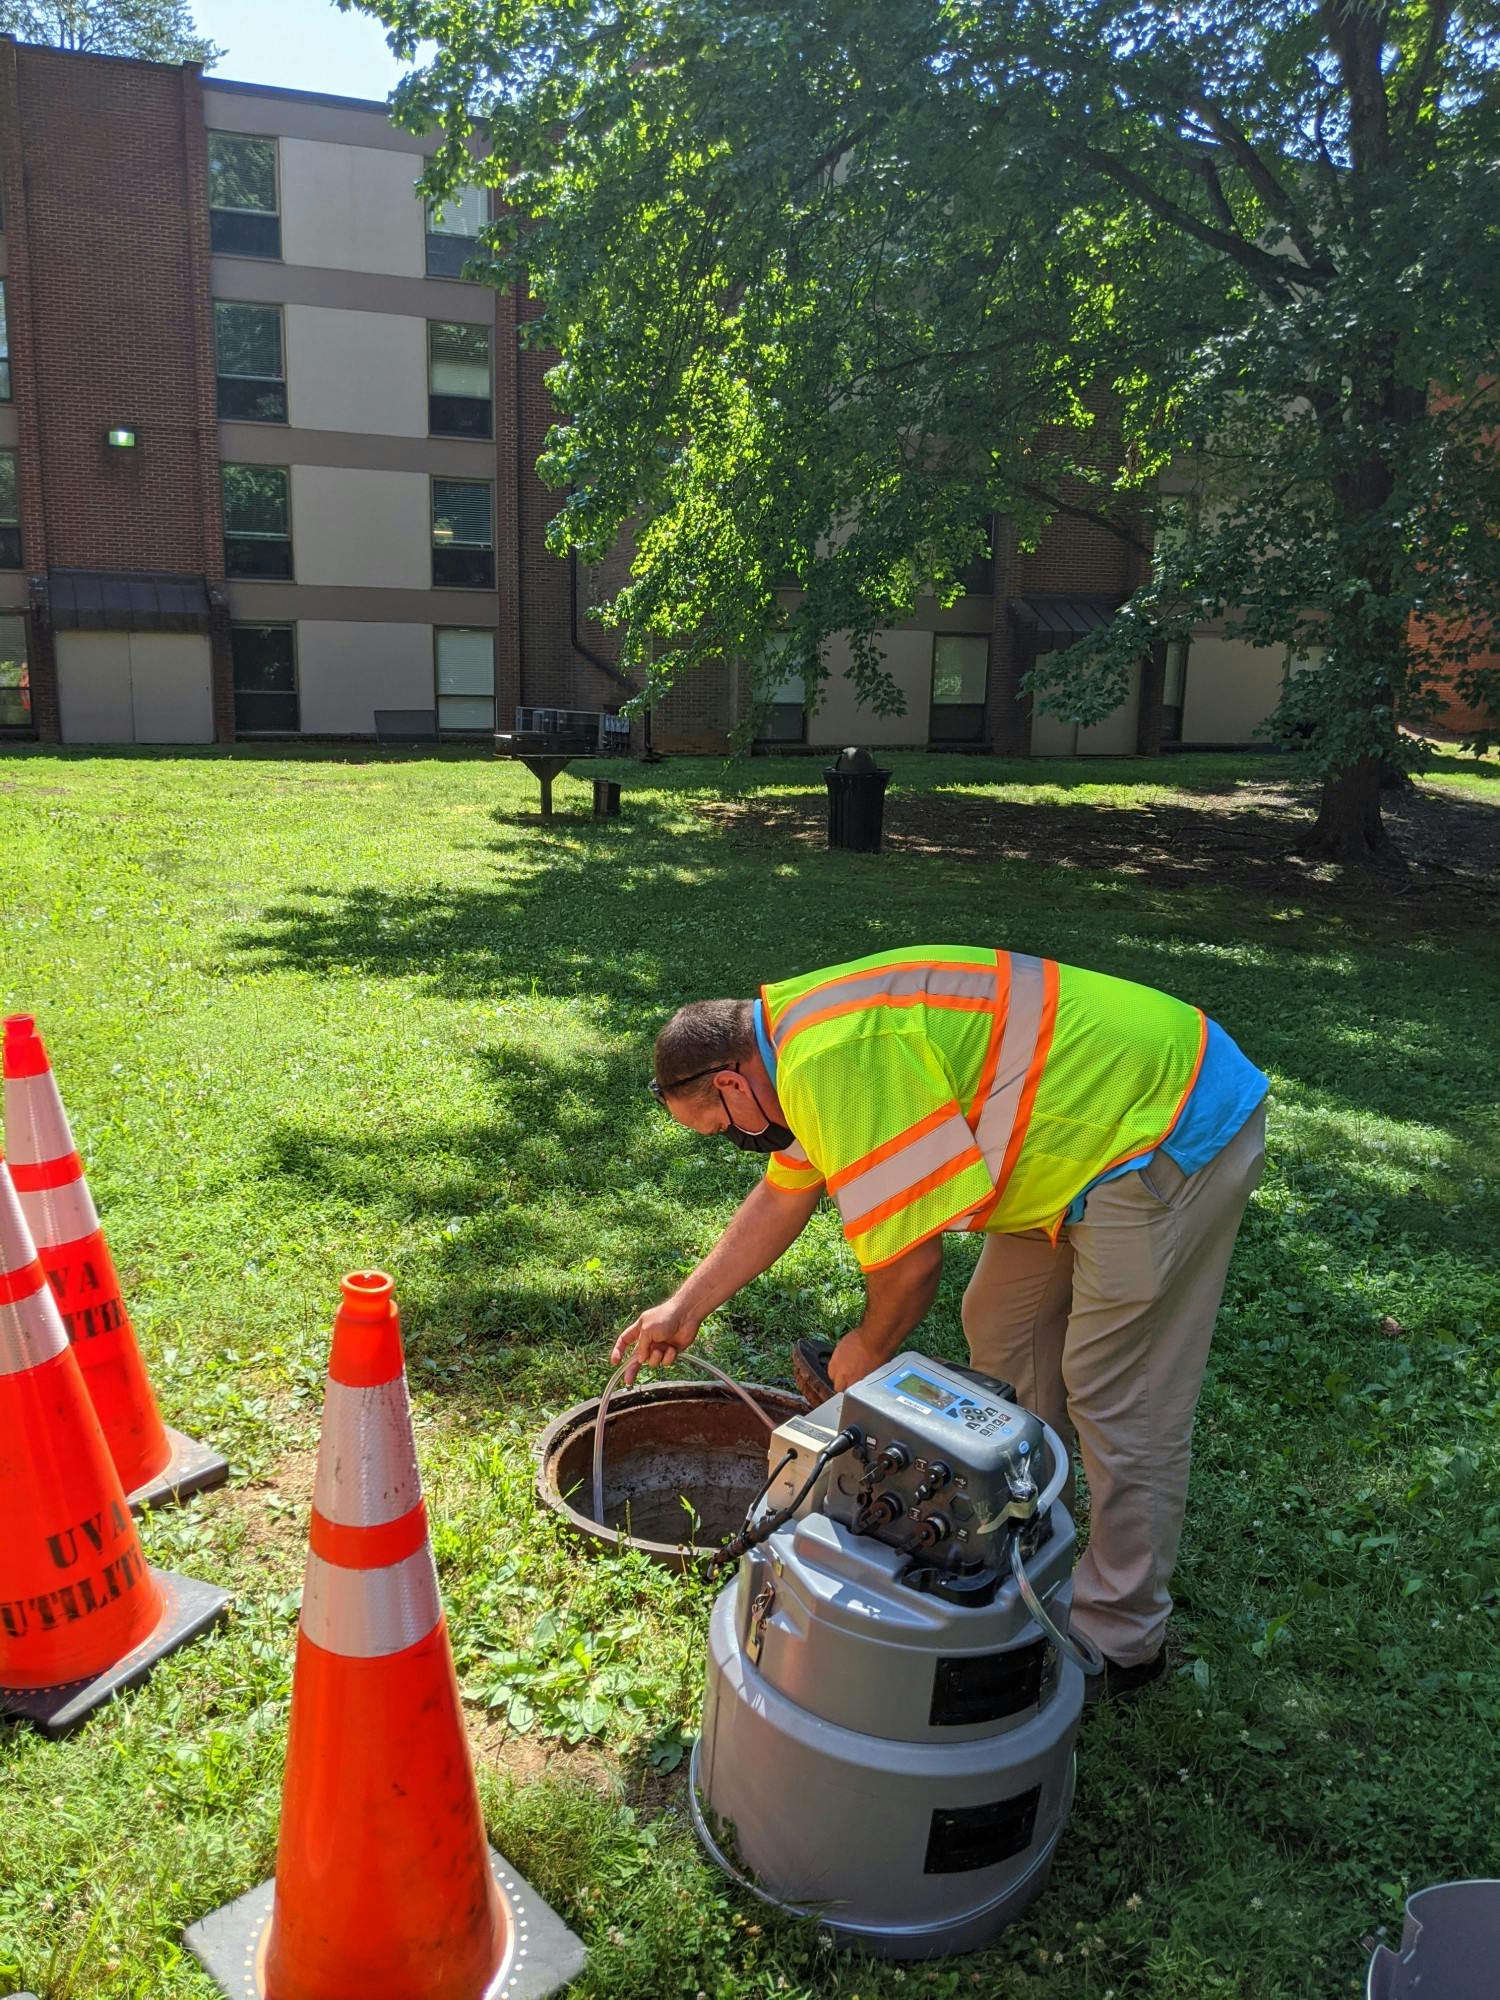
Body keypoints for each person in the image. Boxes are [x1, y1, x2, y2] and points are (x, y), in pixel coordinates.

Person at [612, 944, 1267, 1698]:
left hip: (1159, 1123)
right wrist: (683, 1306)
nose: (740, 1143)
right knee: (1001, 1328)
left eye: (723, 1129)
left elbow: (909, 1268)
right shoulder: (789, 1041)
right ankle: (1027, 1544)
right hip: (1066, 1148)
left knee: (1119, 1394)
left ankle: (1122, 1636)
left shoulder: (833, 1059)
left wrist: (866, 1347)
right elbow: (784, 1194)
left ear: (731, 1080)